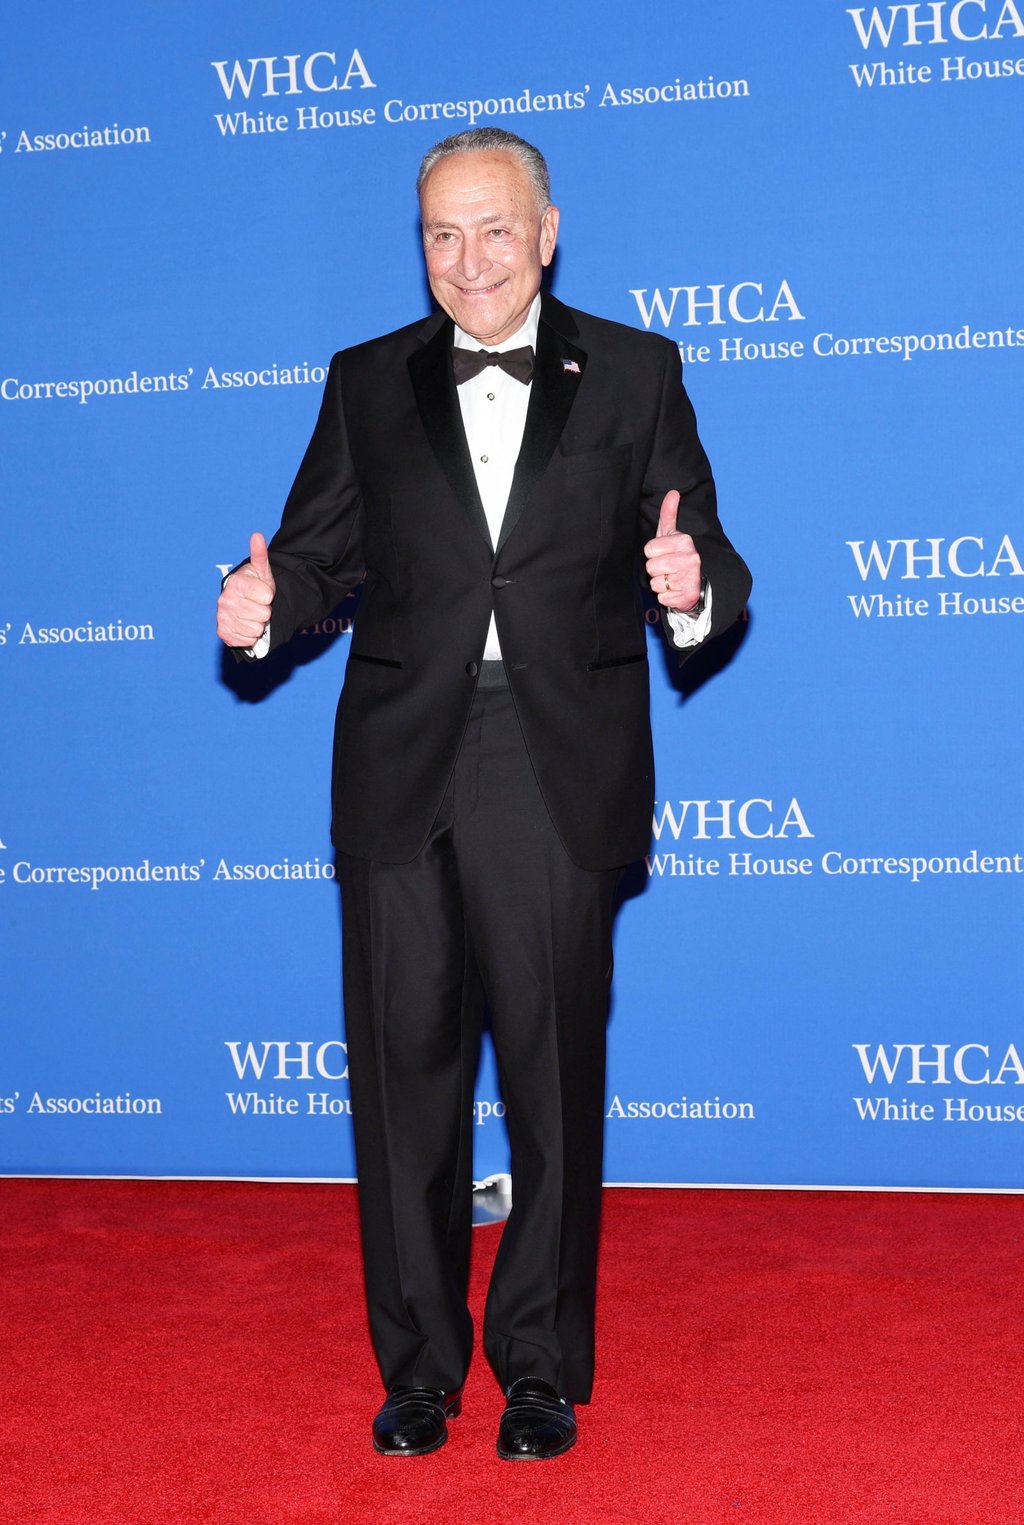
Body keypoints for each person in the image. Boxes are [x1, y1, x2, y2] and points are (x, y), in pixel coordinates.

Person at [216, 127, 751, 1462]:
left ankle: (540, 1370)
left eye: (495, 229)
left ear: (549, 231)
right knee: (404, 1082)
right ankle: (417, 1369)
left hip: (555, 760)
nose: (470, 260)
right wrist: (269, 606)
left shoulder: (634, 371)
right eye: (442, 234)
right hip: (400, 758)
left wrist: (690, 595)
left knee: (554, 1078)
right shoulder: (366, 380)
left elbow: (708, 550)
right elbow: (319, 555)